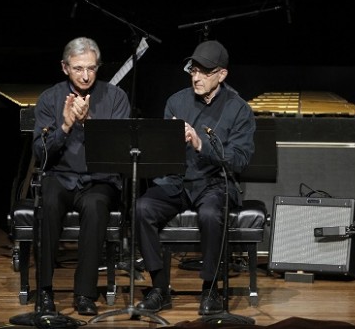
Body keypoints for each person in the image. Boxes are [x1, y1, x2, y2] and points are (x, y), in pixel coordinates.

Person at [135, 40, 256, 315]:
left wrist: (202, 145)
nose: (196, 76)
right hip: (177, 181)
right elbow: (163, 153)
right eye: (193, 70)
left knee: (210, 215)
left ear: (221, 75)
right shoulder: (176, 101)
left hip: (214, 183)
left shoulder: (239, 109)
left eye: (204, 72)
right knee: (143, 207)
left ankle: (211, 290)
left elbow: (240, 159)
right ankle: (159, 288)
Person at [32, 37, 131, 316]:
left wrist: (88, 124)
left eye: (91, 68)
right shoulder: (50, 98)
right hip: (60, 176)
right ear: (65, 68)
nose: (86, 75)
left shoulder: (115, 98)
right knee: (48, 203)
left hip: (99, 179)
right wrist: (64, 126)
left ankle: (85, 294)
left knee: (96, 207)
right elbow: (41, 152)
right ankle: (45, 291)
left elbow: (120, 151)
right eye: (78, 68)